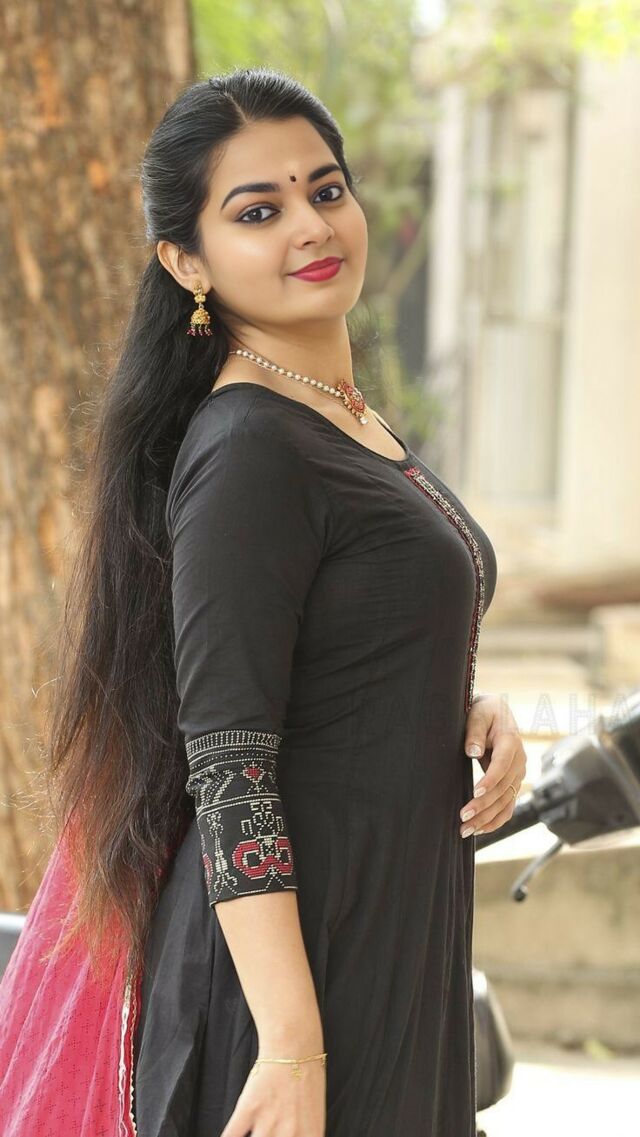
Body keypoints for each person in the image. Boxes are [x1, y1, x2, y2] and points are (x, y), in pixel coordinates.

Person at [0, 67, 527, 1137]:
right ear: (186, 262)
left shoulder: (339, 418)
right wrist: (290, 1044)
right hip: (298, 982)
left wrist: (462, 706)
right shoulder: (249, 446)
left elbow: (338, 653)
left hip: (389, 943)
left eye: (324, 190)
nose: (310, 225)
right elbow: (231, 761)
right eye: (257, 211)